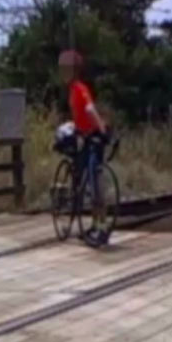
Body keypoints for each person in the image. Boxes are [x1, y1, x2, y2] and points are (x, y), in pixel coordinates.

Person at [58, 49, 110, 247]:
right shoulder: (73, 90)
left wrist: (101, 127)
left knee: (95, 184)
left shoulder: (79, 88)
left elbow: (89, 109)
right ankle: (95, 225)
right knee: (84, 180)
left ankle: (102, 226)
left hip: (92, 136)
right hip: (83, 136)